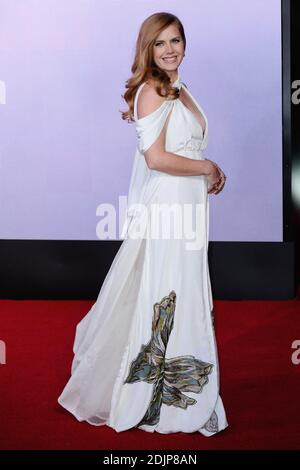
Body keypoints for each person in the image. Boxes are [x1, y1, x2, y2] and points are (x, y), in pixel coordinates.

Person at [58, 11, 229, 436]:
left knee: (182, 292)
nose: (170, 49)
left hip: (188, 206)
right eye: (160, 43)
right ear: (148, 49)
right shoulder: (152, 90)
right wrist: (207, 165)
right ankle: (158, 398)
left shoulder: (180, 88)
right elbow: (156, 158)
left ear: (184, 44)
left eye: (176, 40)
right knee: (168, 294)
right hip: (169, 208)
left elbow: (179, 147)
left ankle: (177, 390)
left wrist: (207, 171)